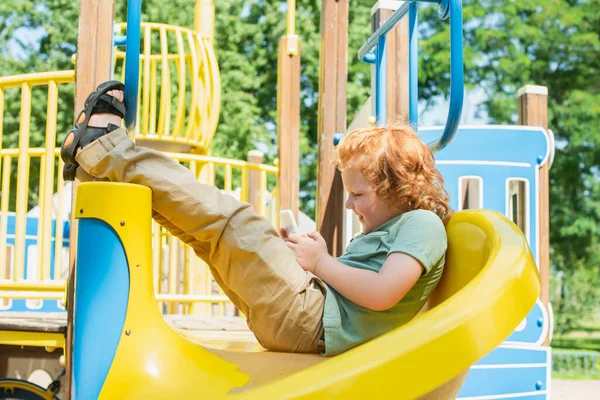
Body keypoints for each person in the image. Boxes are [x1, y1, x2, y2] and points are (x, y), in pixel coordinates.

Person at [61, 81, 451, 356]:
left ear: (397, 186)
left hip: (309, 318)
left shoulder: (423, 225)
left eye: (358, 194)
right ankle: (97, 165)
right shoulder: (400, 227)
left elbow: (384, 293)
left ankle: (103, 150)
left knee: (230, 221)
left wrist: (322, 263)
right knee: (208, 236)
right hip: (307, 315)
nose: (350, 205)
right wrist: (312, 258)